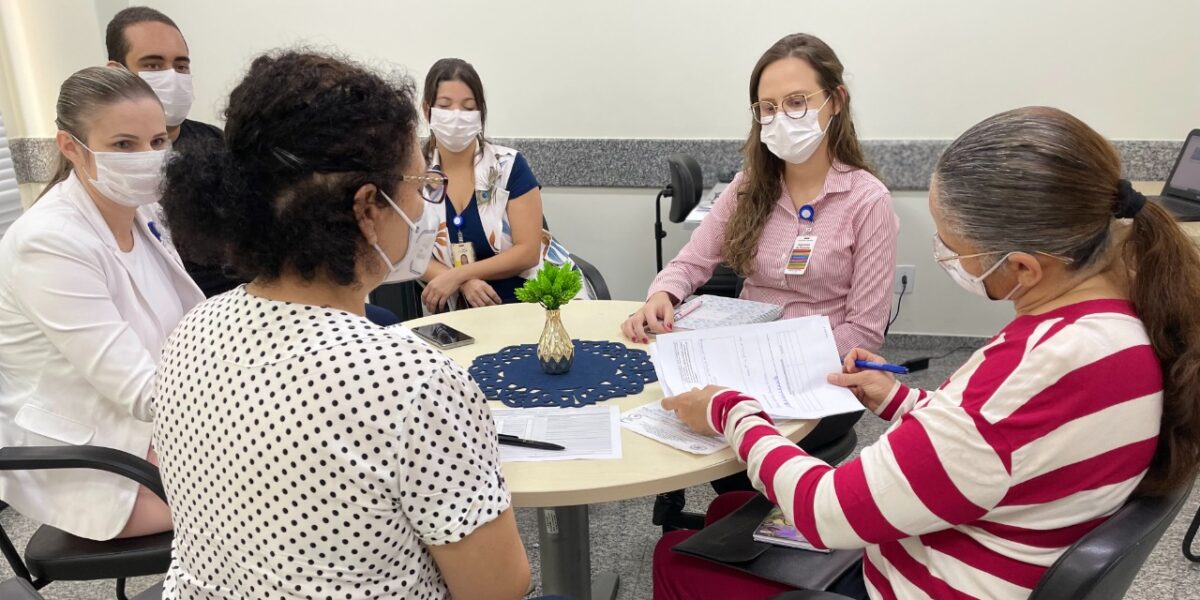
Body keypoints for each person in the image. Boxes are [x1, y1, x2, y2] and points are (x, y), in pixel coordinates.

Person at [654, 106, 1200, 599]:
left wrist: (728, 409)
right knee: (730, 512)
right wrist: (899, 399)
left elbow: (828, 512)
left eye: (952, 248)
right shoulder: (1126, 326)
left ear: (1025, 268)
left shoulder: (1032, 365)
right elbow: (1000, 444)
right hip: (980, 543)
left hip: (922, 579)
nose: (943, 255)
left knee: (674, 556)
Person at [155, 51, 532, 599]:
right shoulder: (413, 383)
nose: (428, 200)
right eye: (419, 183)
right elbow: (497, 588)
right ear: (367, 208)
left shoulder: (191, 330)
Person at [0, 67, 204, 541]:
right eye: (124, 145)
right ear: (71, 147)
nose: (149, 158)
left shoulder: (143, 212)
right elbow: (139, 390)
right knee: (279, 488)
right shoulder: (48, 242)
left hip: (159, 424)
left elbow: (186, 324)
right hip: (97, 454)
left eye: (157, 142)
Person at [621, 33, 898, 357]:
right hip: (745, 352)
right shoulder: (748, 186)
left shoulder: (868, 200)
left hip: (818, 364)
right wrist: (662, 296)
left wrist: (781, 357)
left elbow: (864, 331)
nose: (780, 118)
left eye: (797, 102)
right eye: (768, 108)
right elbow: (690, 263)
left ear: (835, 101)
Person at [419, 58, 588, 312]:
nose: (457, 116)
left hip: (535, 297)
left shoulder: (508, 166)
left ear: (480, 114)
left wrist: (458, 275)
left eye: (468, 108)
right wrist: (464, 283)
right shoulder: (416, 176)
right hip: (462, 310)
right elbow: (410, 252)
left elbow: (527, 251)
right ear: (426, 109)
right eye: (445, 106)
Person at [105, 5, 243, 298]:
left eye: (181, 66)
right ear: (118, 73)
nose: (172, 77)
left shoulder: (214, 141)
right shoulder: (108, 165)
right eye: (153, 65)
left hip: (246, 299)